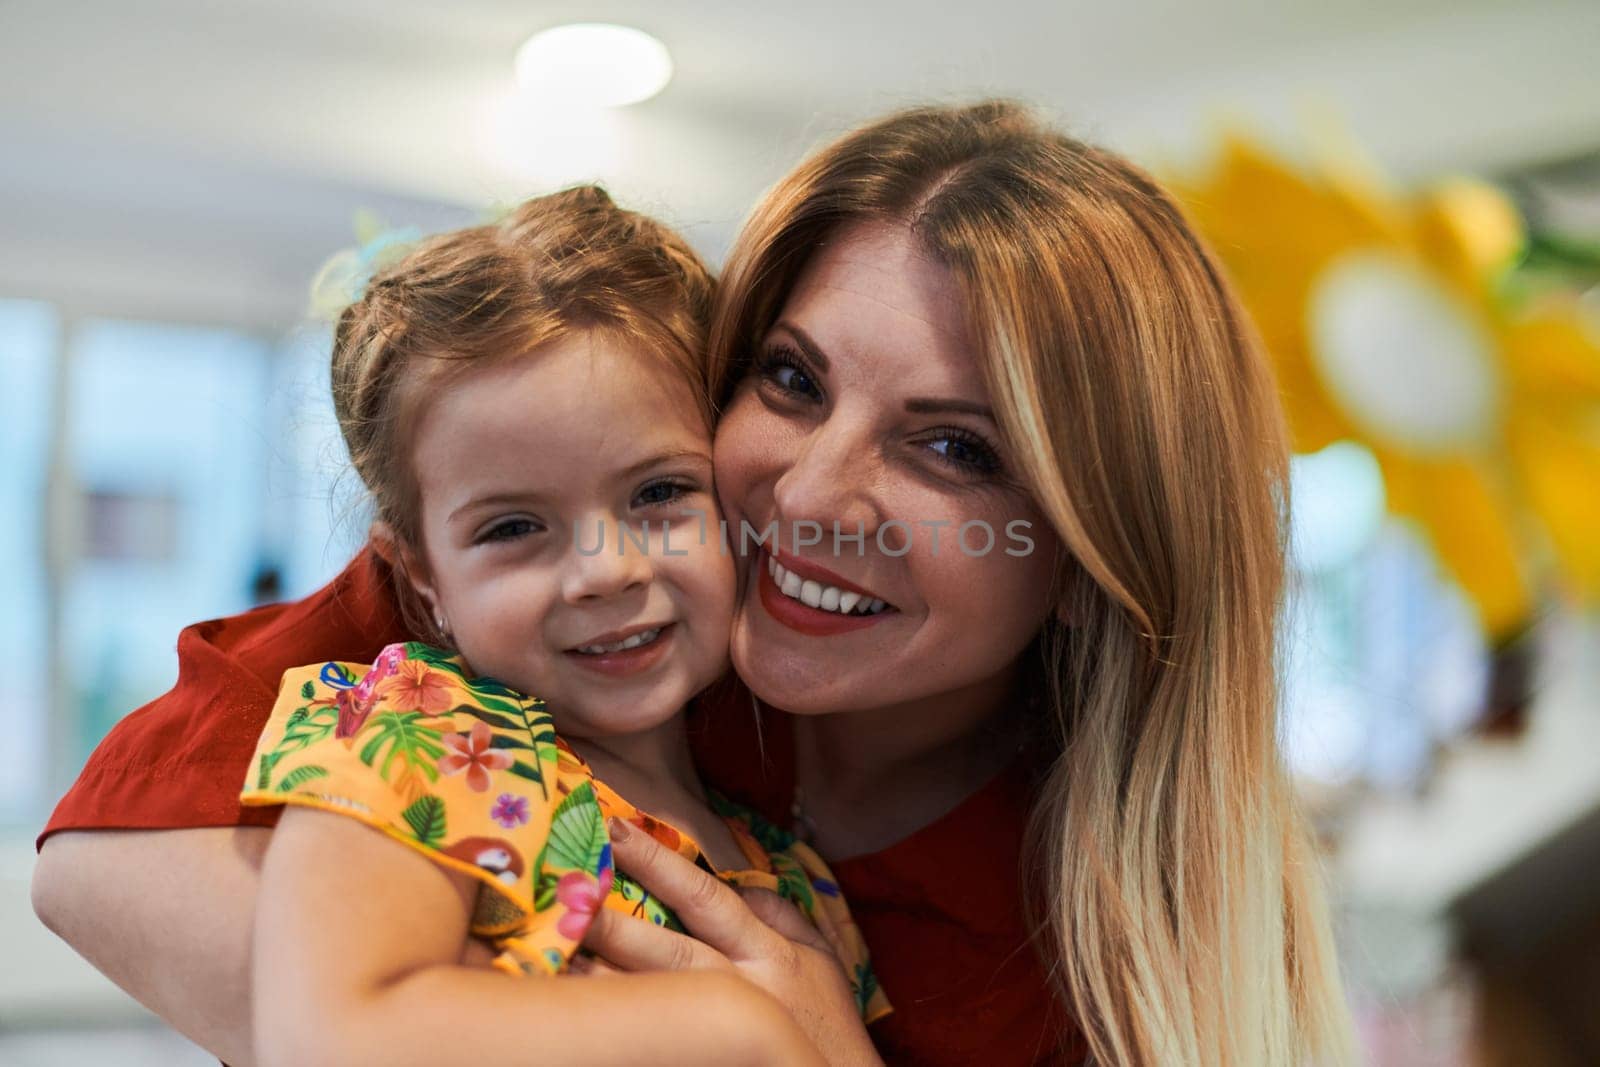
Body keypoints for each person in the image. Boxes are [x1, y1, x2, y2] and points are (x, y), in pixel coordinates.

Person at [33, 100, 1353, 1065]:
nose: (809, 492)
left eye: (957, 447)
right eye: (792, 377)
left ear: (1092, 560)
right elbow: (99, 862)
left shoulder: (1045, 934)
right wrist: (726, 1028)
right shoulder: (488, 655)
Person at [238, 186, 886, 1066]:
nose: (605, 570)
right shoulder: (424, 734)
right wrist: (739, 1030)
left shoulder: (795, 872)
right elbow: (327, 1034)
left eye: (660, 492)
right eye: (513, 527)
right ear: (421, 573)